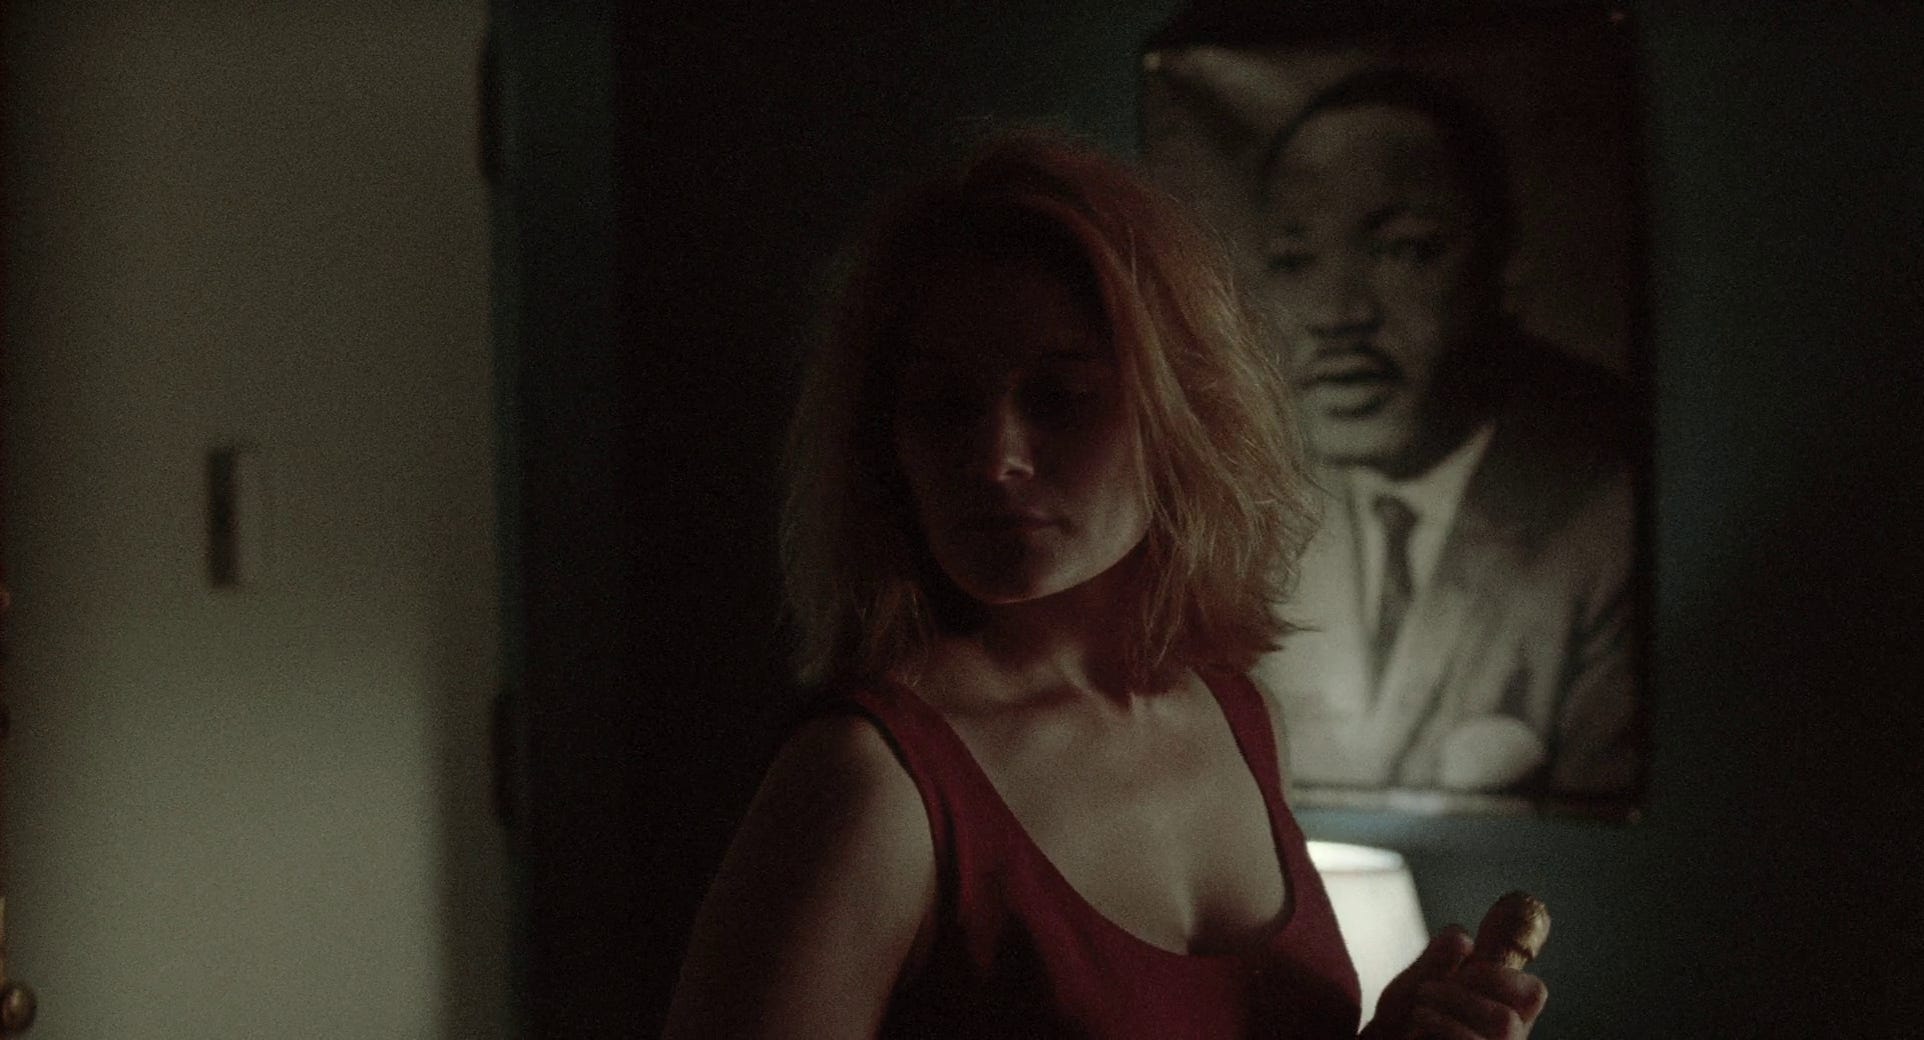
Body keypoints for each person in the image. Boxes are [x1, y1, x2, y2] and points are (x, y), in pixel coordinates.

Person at [663, 134, 1547, 1038]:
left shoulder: (1237, 715)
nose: (996, 458)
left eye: (1059, 397)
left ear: (1180, 417)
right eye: (944, 405)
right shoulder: (872, 778)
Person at [1246, 69, 1642, 800]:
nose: (1335, 314)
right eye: (1294, 262)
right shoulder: (1242, 512)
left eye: (1404, 250)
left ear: (1506, 272)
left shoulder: (1612, 512)